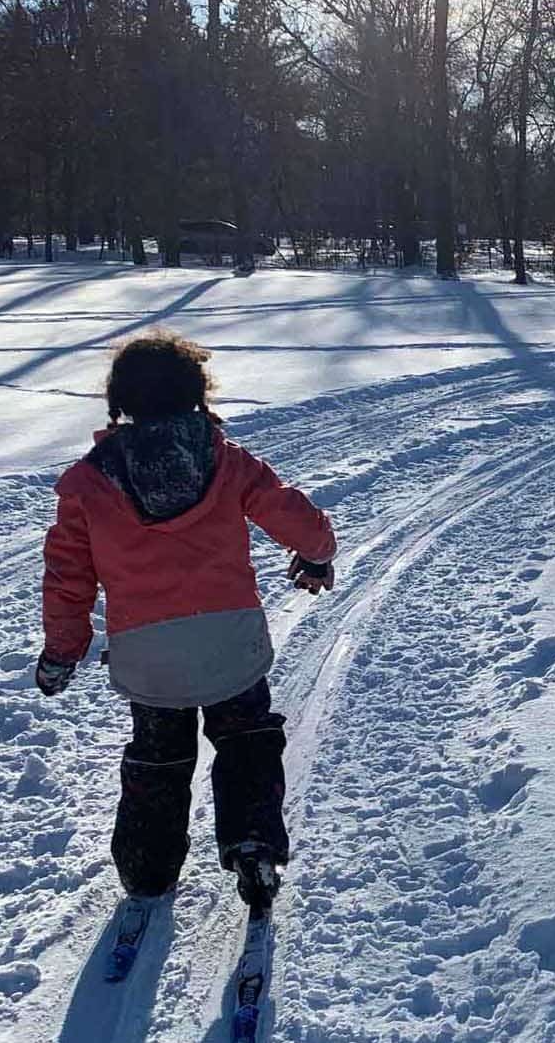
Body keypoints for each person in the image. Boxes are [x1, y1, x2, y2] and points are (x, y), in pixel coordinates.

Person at [37, 330, 338, 911]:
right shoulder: (226, 461)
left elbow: (68, 576)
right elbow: (292, 515)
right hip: (228, 639)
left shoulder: (88, 483)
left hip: (148, 653)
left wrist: (63, 650)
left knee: (158, 755)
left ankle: (146, 869)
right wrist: (318, 552)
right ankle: (252, 845)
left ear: (120, 402)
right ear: (197, 395)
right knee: (246, 738)